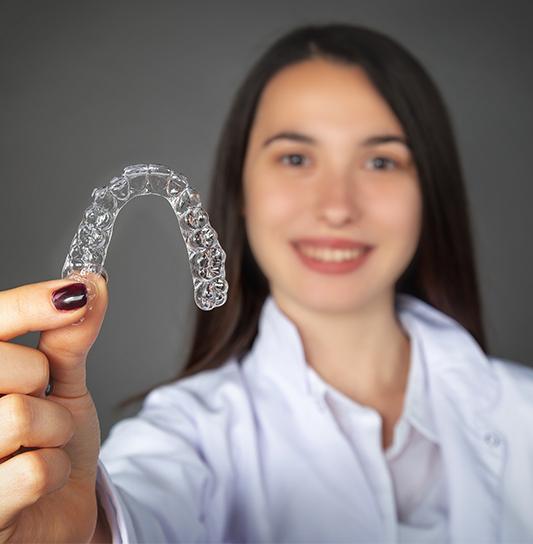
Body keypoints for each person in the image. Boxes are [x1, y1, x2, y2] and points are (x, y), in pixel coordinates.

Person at [0, 23, 532, 544]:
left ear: (429, 193)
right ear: (242, 189)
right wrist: (88, 530)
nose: (337, 207)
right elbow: (139, 513)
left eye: (380, 160)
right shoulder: (184, 437)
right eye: (296, 158)